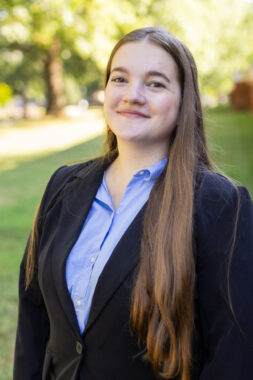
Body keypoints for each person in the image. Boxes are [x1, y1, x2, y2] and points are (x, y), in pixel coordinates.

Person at [14, 27, 253, 380]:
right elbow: (33, 327)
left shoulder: (221, 205)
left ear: (184, 99)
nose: (133, 95)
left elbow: (234, 355)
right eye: (120, 78)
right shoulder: (63, 187)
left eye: (155, 84)